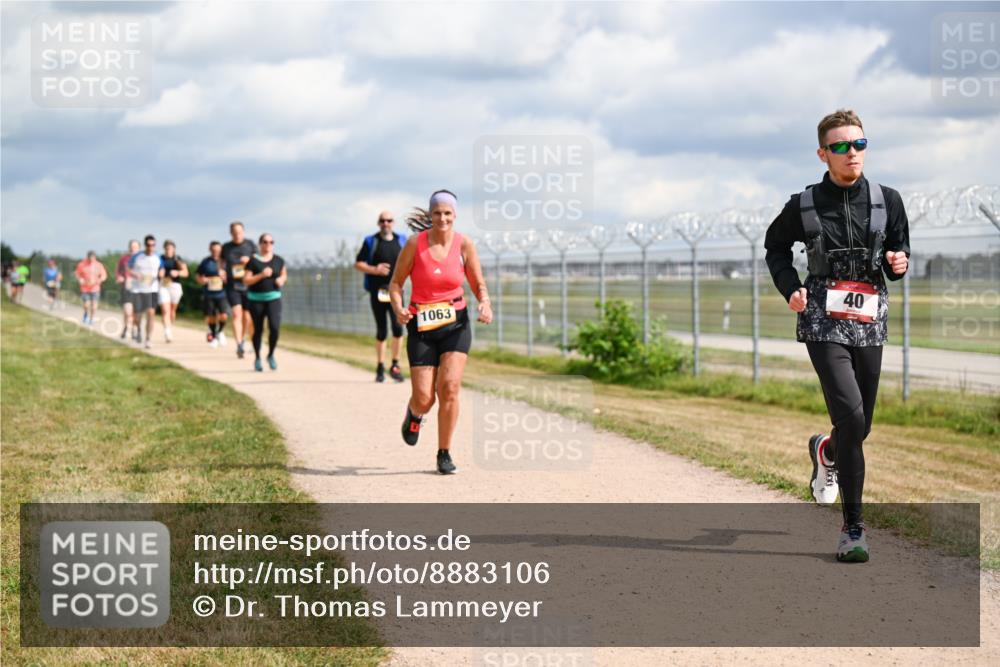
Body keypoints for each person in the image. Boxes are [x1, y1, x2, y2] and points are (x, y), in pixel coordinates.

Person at [764, 109, 910, 563]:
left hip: (870, 318)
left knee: (860, 425)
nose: (853, 154)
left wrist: (897, 263)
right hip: (822, 319)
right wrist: (791, 289)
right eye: (843, 146)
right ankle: (853, 529)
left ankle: (826, 451)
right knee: (850, 417)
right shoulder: (803, 205)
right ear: (823, 153)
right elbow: (775, 248)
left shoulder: (888, 199)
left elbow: (897, 250)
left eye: (860, 145)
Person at [389, 190, 492, 475]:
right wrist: (399, 308)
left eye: (448, 213)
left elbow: (477, 282)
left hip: (455, 324)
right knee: (425, 397)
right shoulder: (414, 244)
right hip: (421, 325)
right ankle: (415, 414)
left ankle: (444, 453)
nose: (443, 218)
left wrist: (485, 302)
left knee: (449, 387)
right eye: (437, 213)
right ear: (431, 215)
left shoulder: (464, 245)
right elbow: (396, 284)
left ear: (455, 215)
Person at [355, 211, 408, 382]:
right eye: (382, 221)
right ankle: (379, 366)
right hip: (378, 292)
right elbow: (358, 263)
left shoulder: (402, 240)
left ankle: (395, 365)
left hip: (397, 292)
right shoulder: (371, 241)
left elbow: (411, 261)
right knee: (382, 330)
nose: (386, 223)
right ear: (378, 223)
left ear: (394, 222)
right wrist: (374, 270)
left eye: (389, 220)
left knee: (398, 328)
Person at [243, 233, 287, 372]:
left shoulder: (278, 260)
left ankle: (271, 354)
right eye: (265, 241)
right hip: (256, 299)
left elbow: (283, 274)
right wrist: (261, 275)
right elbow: (246, 280)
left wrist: (282, 280)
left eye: (271, 242)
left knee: (274, 327)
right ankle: (257, 358)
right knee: (258, 330)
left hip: (274, 298)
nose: (268, 244)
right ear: (260, 243)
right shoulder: (253, 261)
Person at [221, 222, 256, 359]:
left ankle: (249, 340)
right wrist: (221, 271)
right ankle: (239, 344)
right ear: (231, 233)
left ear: (244, 232)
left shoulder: (250, 245)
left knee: (248, 317)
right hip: (232, 285)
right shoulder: (226, 247)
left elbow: (259, 260)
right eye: (234, 232)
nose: (237, 235)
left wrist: (249, 259)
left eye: (239, 232)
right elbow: (221, 262)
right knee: (236, 314)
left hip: (248, 285)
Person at [128, 235, 164, 349]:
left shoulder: (158, 257)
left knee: (151, 313)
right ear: (145, 245)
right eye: (148, 245)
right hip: (138, 289)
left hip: (152, 289)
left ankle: (148, 339)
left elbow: (162, 269)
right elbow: (128, 268)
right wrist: (135, 274)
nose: (150, 247)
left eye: (153, 245)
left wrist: (161, 274)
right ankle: (138, 330)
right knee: (137, 315)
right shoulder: (137, 257)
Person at [196, 241, 232, 348]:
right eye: (213, 250)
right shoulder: (206, 262)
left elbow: (232, 277)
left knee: (224, 315)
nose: (216, 252)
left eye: (218, 250)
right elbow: (198, 276)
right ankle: (213, 335)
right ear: (210, 250)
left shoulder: (225, 262)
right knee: (211, 317)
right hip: (209, 294)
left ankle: (219, 332)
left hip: (222, 293)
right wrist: (203, 280)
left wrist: (226, 278)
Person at [158, 240, 189, 342]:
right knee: (165, 309)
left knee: (172, 311)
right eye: (167, 249)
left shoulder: (178, 259)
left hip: (175, 286)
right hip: (163, 285)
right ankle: (167, 332)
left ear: (174, 249)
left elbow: (186, 273)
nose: (168, 251)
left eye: (170, 249)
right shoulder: (160, 258)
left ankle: (169, 326)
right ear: (164, 249)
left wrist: (178, 272)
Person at [116, 240, 141, 341]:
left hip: (139, 288)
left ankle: (133, 328)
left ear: (139, 248)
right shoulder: (124, 258)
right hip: (127, 286)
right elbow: (118, 271)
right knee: (127, 310)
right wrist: (119, 277)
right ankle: (127, 328)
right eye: (131, 246)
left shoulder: (142, 259)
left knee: (136, 312)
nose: (133, 248)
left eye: (135, 247)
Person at [74, 252, 107, 324]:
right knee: (87, 305)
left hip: (95, 288)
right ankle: (86, 314)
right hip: (85, 288)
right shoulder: (82, 264)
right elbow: (77, 273)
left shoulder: (99, 265)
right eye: (90, 258)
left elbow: (104, 275)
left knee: (94, 306)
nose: (91, 260)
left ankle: (91, 319)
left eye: (93, 258)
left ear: (95, 257)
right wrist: (80, 279)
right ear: (87, 257)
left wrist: (100, 279)